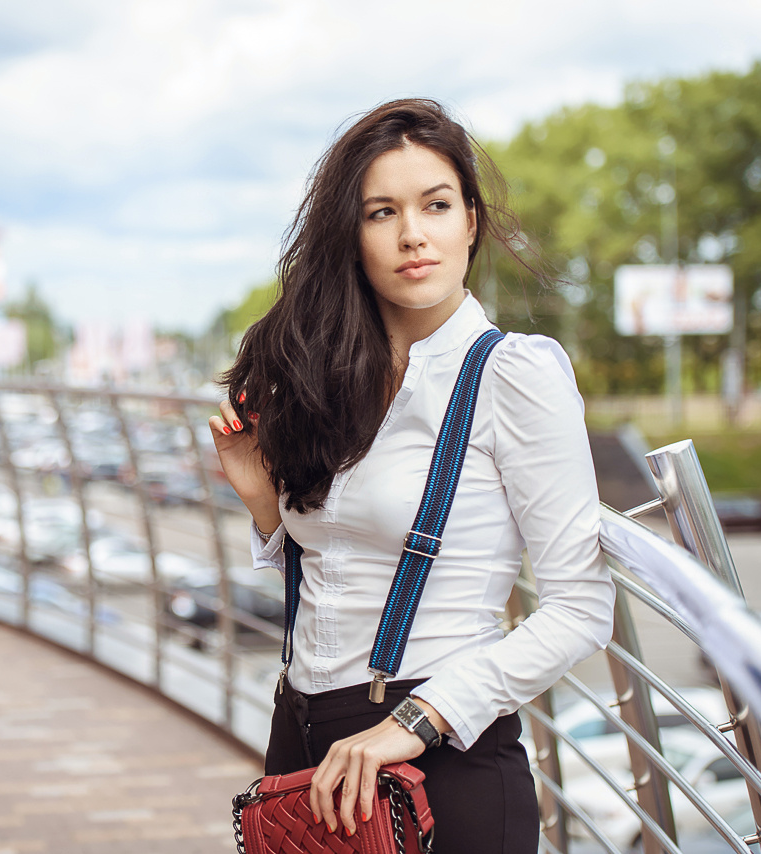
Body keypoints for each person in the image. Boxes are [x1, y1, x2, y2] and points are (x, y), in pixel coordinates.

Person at [209, 98, 615, 854]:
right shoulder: (335, 374)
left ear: (471, 220)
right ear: (351, 237)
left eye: (435, 205)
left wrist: (414, 722)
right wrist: (266, 506)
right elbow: (341, 564)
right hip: (303, 747)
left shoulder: (512, 375)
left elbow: (582, 608)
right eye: (381, 212)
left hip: (439, 762)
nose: (412, 235)